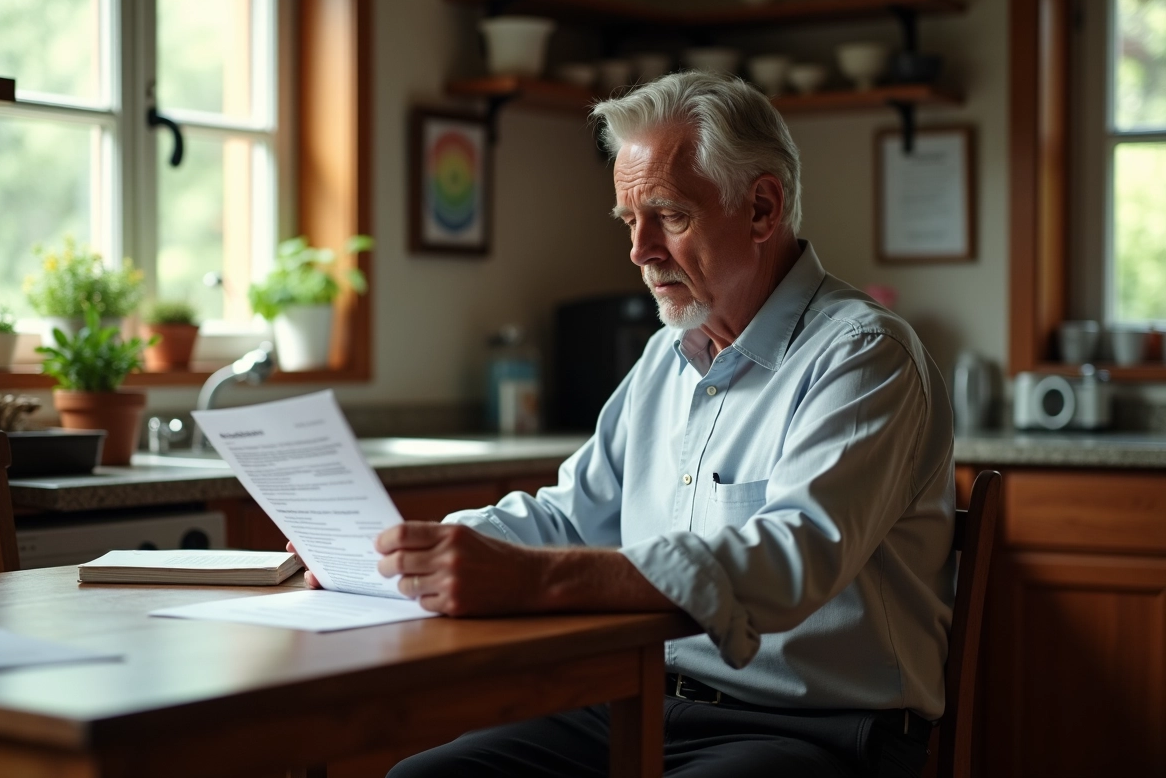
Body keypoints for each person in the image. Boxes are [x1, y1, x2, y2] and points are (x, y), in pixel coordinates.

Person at [299, 71, 956, 777]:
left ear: (763, 208)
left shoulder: (864, 356)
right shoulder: (665, 358)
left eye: (669, 216)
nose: (640, 251)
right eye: (628, 221)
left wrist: (532, 582)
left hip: (817, 731)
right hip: (638, 700)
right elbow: (567, 516)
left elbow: (787, 562)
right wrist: (400, 555)